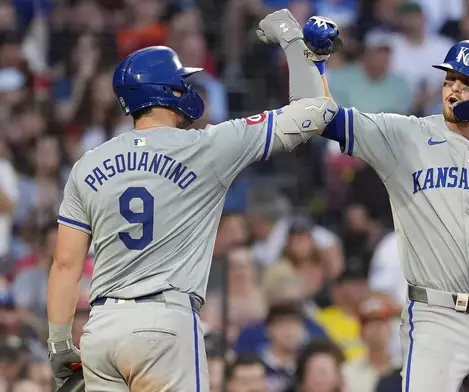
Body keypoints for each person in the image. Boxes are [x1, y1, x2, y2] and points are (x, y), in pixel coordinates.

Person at [45, 9, 338, 391]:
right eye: (182, 82)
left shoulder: (88, 164)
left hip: (102, 326)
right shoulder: (208, 147)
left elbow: (66, 263)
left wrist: (59, 343)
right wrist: (293, 41)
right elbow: (317, 112)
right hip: (165, 323)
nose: (190, 89)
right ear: (166, 91)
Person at [294, 18, 469, 392]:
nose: (453, 90)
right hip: (434, 316)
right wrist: (314, 61)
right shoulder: (405, 135)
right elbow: (322, 120)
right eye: (449, 80)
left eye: (466, 84)